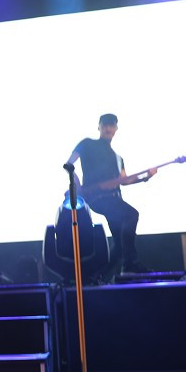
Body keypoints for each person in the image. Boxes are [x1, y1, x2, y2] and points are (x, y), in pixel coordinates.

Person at [67, 114, 156, 273]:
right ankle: (131, 264)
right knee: (131, 215)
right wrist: (78, 187)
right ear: (99, 126)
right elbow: (69, 164)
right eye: (105, 125)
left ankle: (98, 275)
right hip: (98, 198)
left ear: (116, 129)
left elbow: (124, 180)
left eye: (112, 125)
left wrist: (146, 177)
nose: (108, 128)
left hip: (113, 199)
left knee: (120, 246)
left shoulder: (118, 158)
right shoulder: (87, 144)